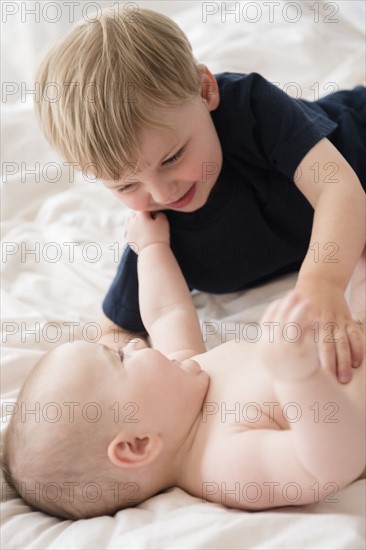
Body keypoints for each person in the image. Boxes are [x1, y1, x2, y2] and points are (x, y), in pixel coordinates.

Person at [34, 6, 366, 384]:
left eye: (172, 157)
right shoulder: (158, 236)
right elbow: (113, 334)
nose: (162, 191)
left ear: (206, 89)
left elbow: (338, 188)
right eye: (126, 186)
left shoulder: (251, 108)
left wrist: (321, 283)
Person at [2, 212, 365, 520]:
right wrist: (297, 378)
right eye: (120, 359)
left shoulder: (181, 378)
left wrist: (151, 249)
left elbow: (165, 312)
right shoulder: (224, 463)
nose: (132, 342)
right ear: (138, 445)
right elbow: (330, 465)